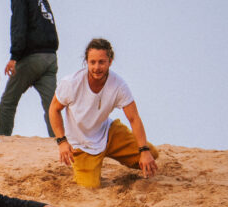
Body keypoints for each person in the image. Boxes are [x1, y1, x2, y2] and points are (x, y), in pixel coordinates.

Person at [48, 38, 158, 188]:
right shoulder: (71, 83)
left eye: (102, 62)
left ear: (110, 62)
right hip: (81, 144)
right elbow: (54, 109)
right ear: (86, 61)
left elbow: (134, 118)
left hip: (108, 133)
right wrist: (62, 141)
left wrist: (144, 151)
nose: (96, 67)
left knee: (151, 154)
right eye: (92, 62)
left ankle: (129, 154)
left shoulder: (119, 85)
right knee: (90, 187)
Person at [0, 0, 59, 137]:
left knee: (8, 102)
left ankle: (1, 138)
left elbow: (19, 24)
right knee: (52, 106)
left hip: (32, 57)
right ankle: (58, 140)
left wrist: (15, 56)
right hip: (50, 57)